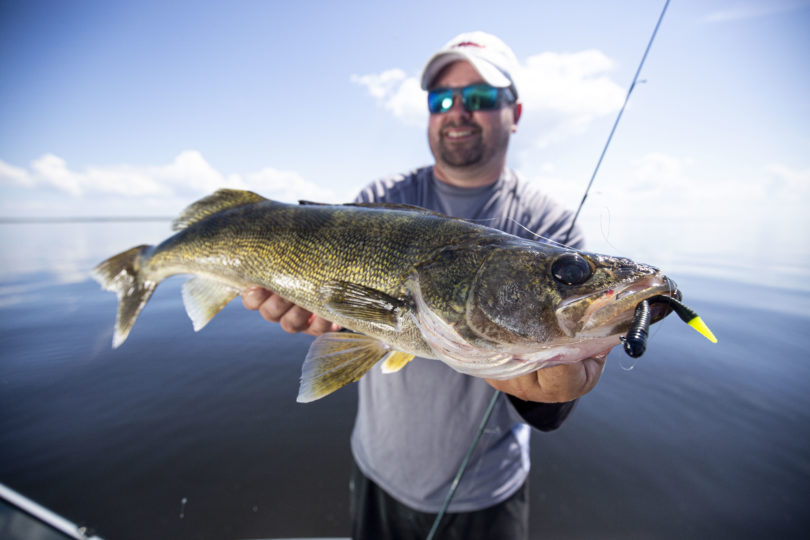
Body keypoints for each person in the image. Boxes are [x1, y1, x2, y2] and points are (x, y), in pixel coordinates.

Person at [242, 31, 610, 540]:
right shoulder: (378, 199)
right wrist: (310, 316)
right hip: (378, 474)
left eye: (479, 98)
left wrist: (548, 393)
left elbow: (552, 408)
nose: (457, 111)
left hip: (487, 494)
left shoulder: (551, 228)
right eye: (442, 99)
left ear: (515, 114)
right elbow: (342, 320)